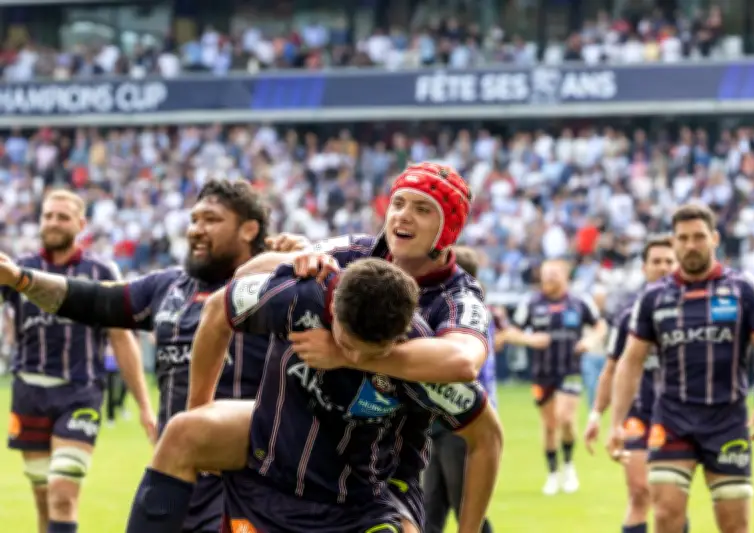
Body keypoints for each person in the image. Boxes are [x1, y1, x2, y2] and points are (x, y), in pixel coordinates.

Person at [126, 162, 500, 533]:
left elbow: (463, 360)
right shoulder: (351, 252)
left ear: (448, 228)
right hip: (292, 420)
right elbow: (242, 281)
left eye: (422, 209)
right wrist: (295, 260)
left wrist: (350, 355)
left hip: (377, 464)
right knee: (185, 432)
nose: (404, 216)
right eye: (399, 202)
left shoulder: (456, 298)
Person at [0, 179, 273, 533]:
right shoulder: (168, 287)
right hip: (173, 474)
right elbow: (94, 299)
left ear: (249, 228)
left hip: (240, 480)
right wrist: (21, 279)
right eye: (194, 220)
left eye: (211, 220)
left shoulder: (273, 290)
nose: (197, 230)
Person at [607, 203, 754, 533]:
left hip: (728, 421)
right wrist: (616, 421)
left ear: (715, 238)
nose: (691, 245)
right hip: (672, 419)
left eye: (699, 237)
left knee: (735, 525)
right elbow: (630, 362)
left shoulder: (743, 289)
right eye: (683, 238)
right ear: (674, 243)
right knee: (665, 517)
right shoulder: (653, 298)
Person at [2, 189, 155, 533]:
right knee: (44, 503)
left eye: (62, 217)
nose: (53, 223)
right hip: (29, 392)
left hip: (80, 394)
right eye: (47, 216)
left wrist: (145, 405)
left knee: (62, 493)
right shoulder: (18, 270)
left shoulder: (101, 270)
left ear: (81, 224)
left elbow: (121, 338)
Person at [583, 235, 679, 533]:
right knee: (639, 491)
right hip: (637, 413)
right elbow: (611, 368)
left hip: (679, 413)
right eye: (656, 262)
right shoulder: (628, 316)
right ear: (644, 267)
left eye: (668, 261)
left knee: (671, 502)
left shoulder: (690, 310)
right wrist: (597, 415)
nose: (663, 267)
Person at [501, 258, 606, 495]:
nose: (548, 278)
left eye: (554, 274)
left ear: (565, 276)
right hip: (542, 373)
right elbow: (510, 332)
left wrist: (590, 340)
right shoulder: (531, 303)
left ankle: (569, 466)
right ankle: (552, 473)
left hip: (570, 370)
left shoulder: (579, 301)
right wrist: (530, 339)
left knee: (565, 418)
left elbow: (600, 326)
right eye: (545, 274)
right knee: (549, 426)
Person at [421, 245, 497, 533]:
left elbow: (469, 370)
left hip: (461, 418)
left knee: (465, 505)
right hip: (438, 419)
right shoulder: (459, 312)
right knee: (430, 508)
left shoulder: (465, 317)